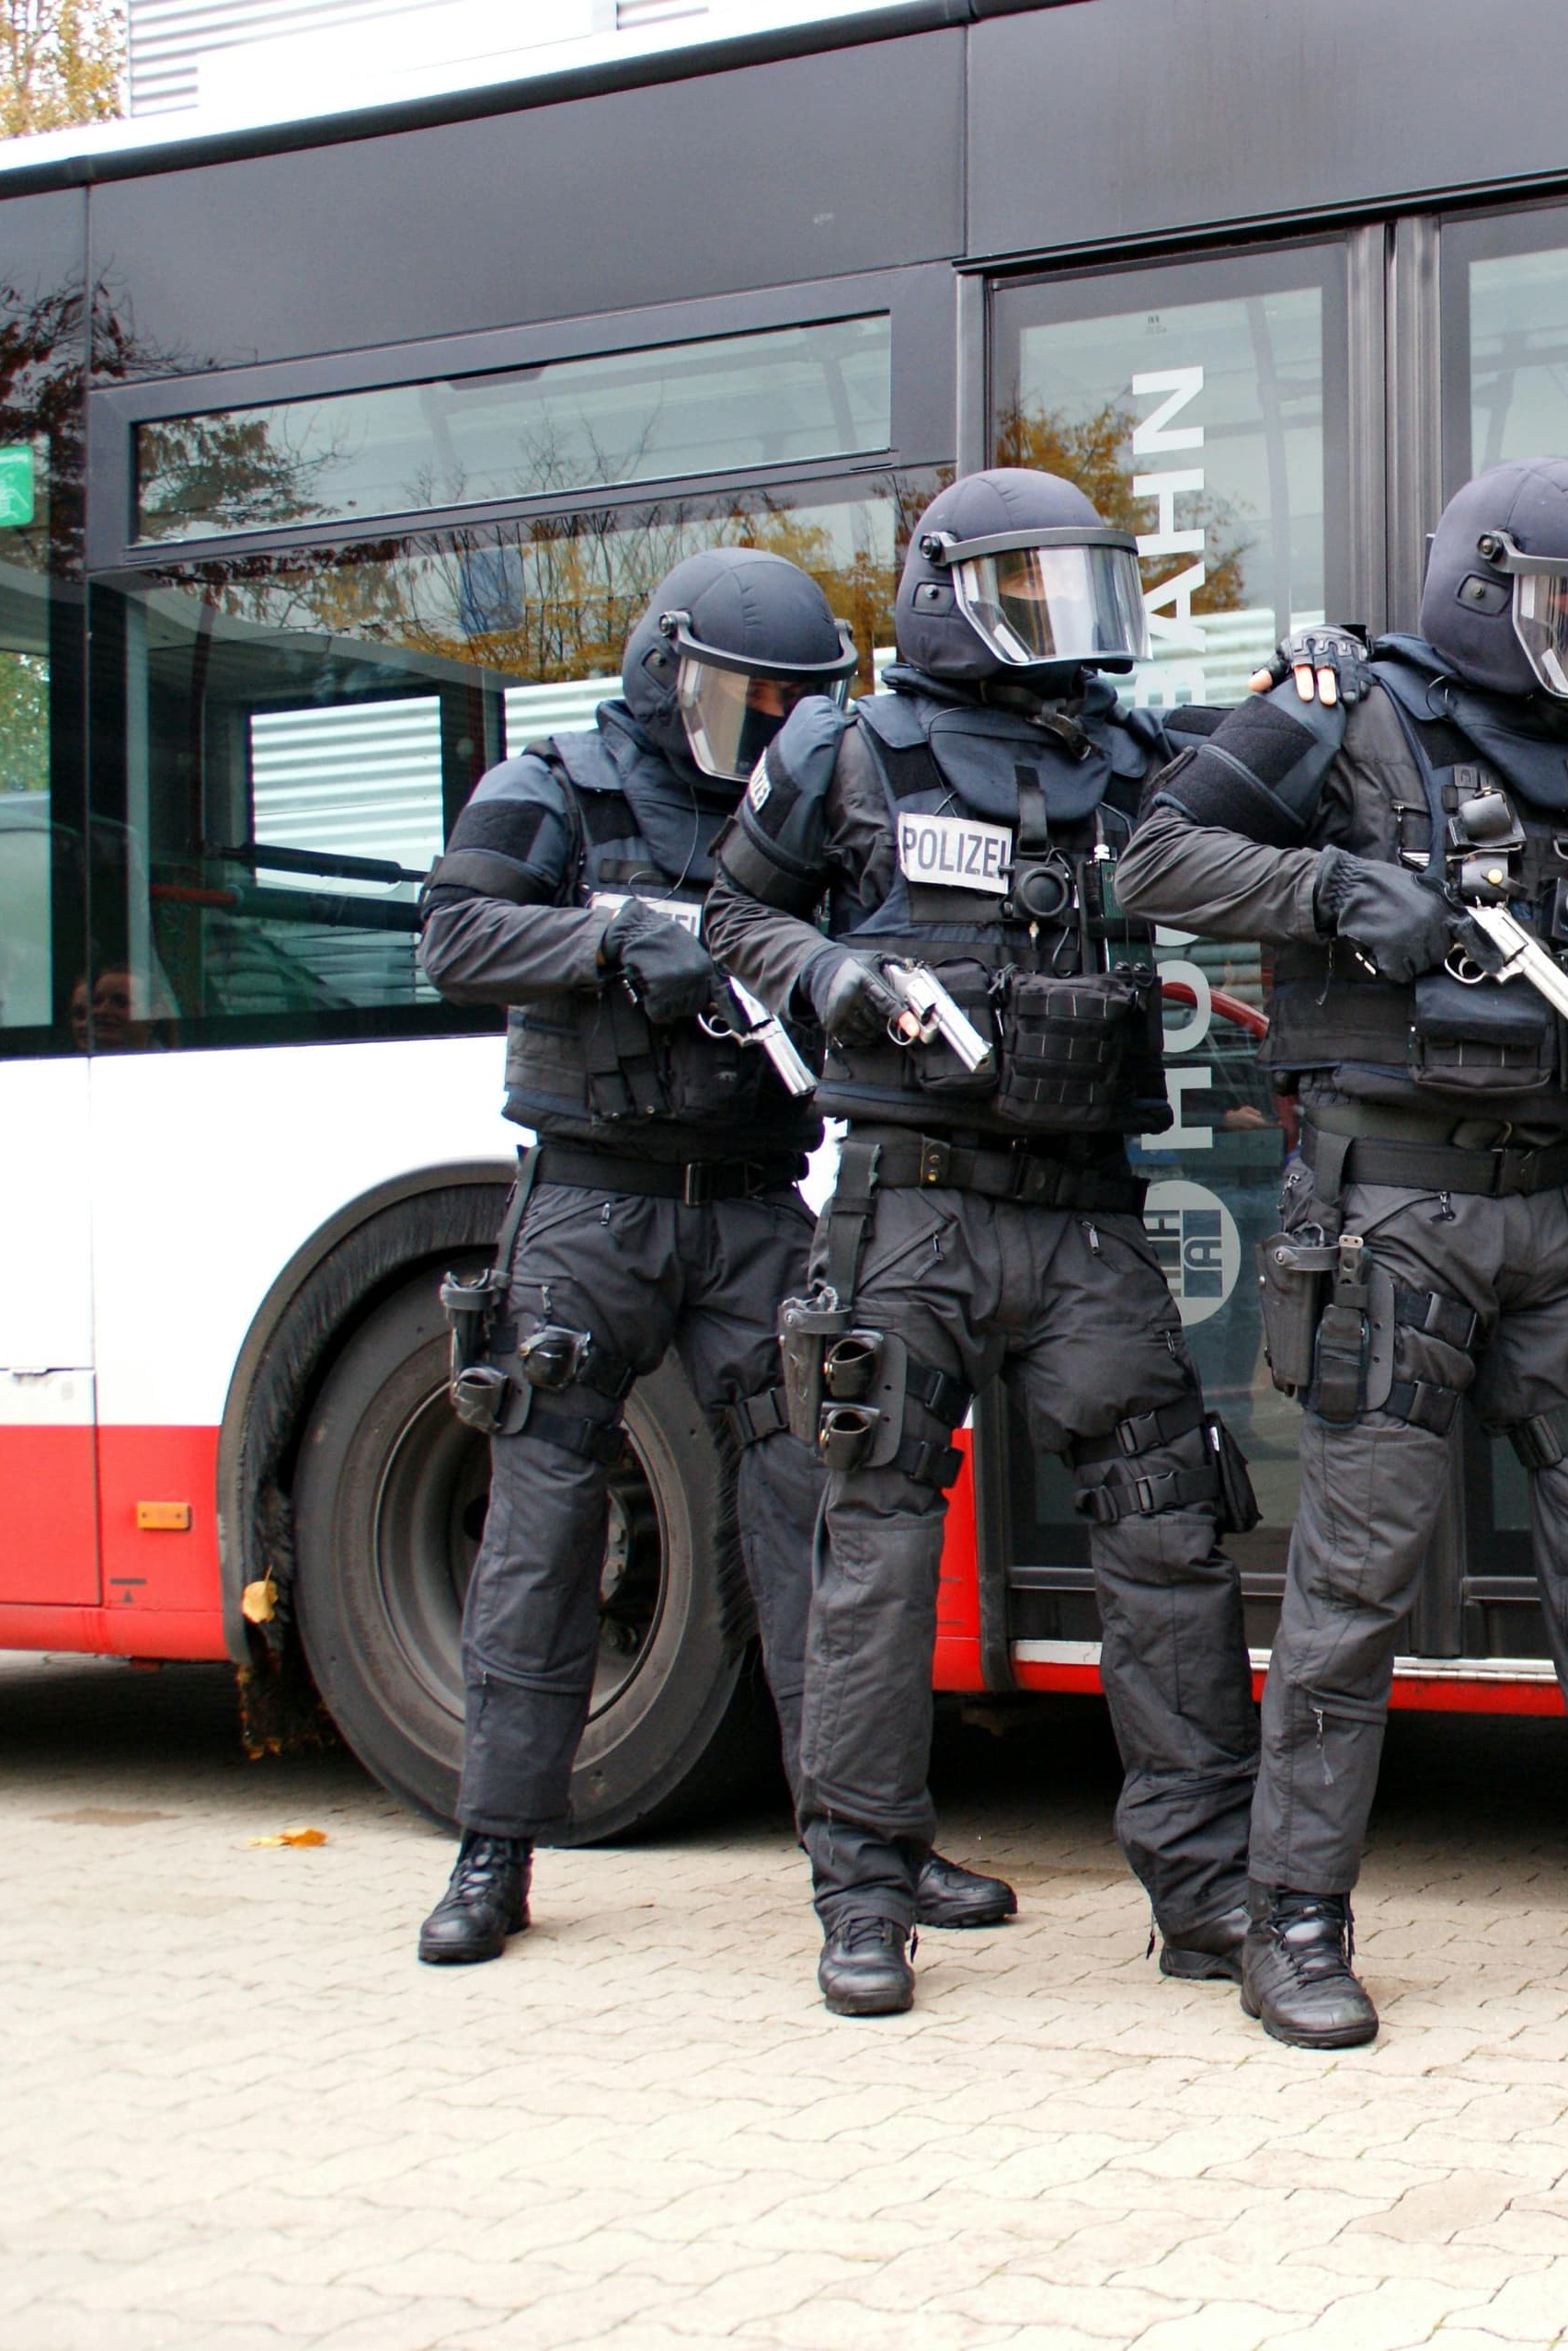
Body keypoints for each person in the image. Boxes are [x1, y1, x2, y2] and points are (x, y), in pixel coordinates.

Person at [1116, 456, 1568, 2049]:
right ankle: (1294, 1920)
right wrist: (1330, 887)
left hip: (1567, 1219)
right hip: (1394, 1211)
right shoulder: (1344, 713)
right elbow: (1153, 860)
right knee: (1359, 1576)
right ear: (1485, 591)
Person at [408, 547, 1017, 1964]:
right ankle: (493, 1854)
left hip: (754, 1202)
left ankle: (873, 1848)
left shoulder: (812, 804)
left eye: (795, 708)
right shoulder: (554, 783)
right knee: (543, 1529)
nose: (768, 733)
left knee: (824, 1526)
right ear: (666, 675)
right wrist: (618, 941)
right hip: (592, 1204)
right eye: (744, 702)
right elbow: (453, 932)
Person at [703, 471, 1255, 2018]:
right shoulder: (842, 746)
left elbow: (1264, 799)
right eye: (1029, 589)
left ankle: (1208, 1892)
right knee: (874, 1547)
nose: (1061, 623)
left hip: (1084, 1211)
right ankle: (864, 1898)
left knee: (1167, 1530)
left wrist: (1312, 693)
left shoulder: (1126, 748)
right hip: (910, 1207)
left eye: (1080, 589)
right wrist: (835, 976)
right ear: (950, 591)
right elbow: (736, 919)